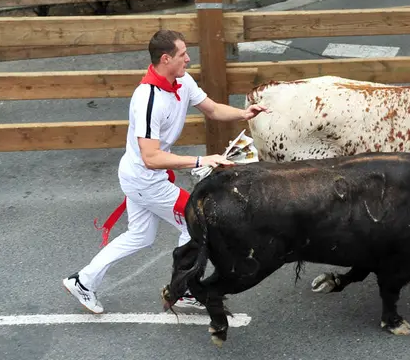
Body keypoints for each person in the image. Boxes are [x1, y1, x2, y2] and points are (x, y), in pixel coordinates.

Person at [62, 30, 270, 314]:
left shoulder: (183, 80)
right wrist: (201, 161)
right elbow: (151, 157)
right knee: (197, 224)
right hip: (146, 179)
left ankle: (82, 282)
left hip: (142, 176)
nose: (188, 58)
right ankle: (182, 290)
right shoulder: (148, 100)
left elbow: (211, 109)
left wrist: (243, 114)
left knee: (141, 236)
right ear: (165, 58)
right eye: (183, 54)